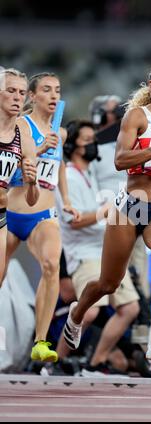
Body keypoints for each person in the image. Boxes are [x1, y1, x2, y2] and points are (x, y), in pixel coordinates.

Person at [63, 60, 151, 368]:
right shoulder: (137, 116)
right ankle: (76, 313)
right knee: (109, 283)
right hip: (129, 205)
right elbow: (120, 160)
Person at [5, 72, 79, 363]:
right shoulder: (20, 125)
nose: (53, 96)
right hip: (10, 212)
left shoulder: (60, 133)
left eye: (57, 90)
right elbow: (11, 166)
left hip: (43, 213)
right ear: (32, 96)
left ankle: (40, 341)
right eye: (46, 90)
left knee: (51, 266)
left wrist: (67, 199)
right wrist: (38, 149)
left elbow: (58, 167)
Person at [56, 119, 140, 375]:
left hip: (105, 253)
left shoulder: (89, 175)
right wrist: (104, 212)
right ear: (73, 146)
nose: (94, 144)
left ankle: (96, 362)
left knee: (130, 309)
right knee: (90, 313)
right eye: (88, 140)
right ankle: (54, 362)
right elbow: (74, 220)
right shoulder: (68, 176)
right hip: (84, 255)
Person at [0, 68, 39, 282]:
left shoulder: (24, 137)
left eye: (22, 92)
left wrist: (32, 182)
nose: (17, 97)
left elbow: (32, 200)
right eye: (11, 90)